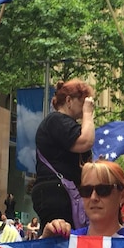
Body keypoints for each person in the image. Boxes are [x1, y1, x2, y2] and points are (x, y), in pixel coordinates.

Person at [31, 79, 95, 230]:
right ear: (69, 101)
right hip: (57, 193)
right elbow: (85, 141)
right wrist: (88, 114)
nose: (84, 107)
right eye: (82, 102)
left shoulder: (63, 123)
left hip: (63, 192)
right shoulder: (56, 120)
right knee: (59, 236)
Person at [41, 160, 124, 239]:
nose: (93, 197)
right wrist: (44, 243)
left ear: (122, 196)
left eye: (103, 190)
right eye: (86, 191)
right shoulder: (67, 240)